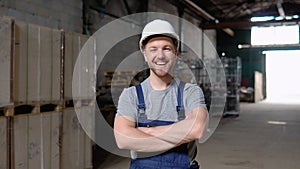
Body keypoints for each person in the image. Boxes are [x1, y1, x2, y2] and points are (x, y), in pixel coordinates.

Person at [114, 19, 208, 169]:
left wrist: (146, 132)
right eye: (153, 49)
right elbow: (123, 139)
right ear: (144, 54)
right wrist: (181, 132)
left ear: (176, 53)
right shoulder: (131, 95)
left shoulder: (190, 92)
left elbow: (197, 129)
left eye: (166, 48)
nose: (160, 56)